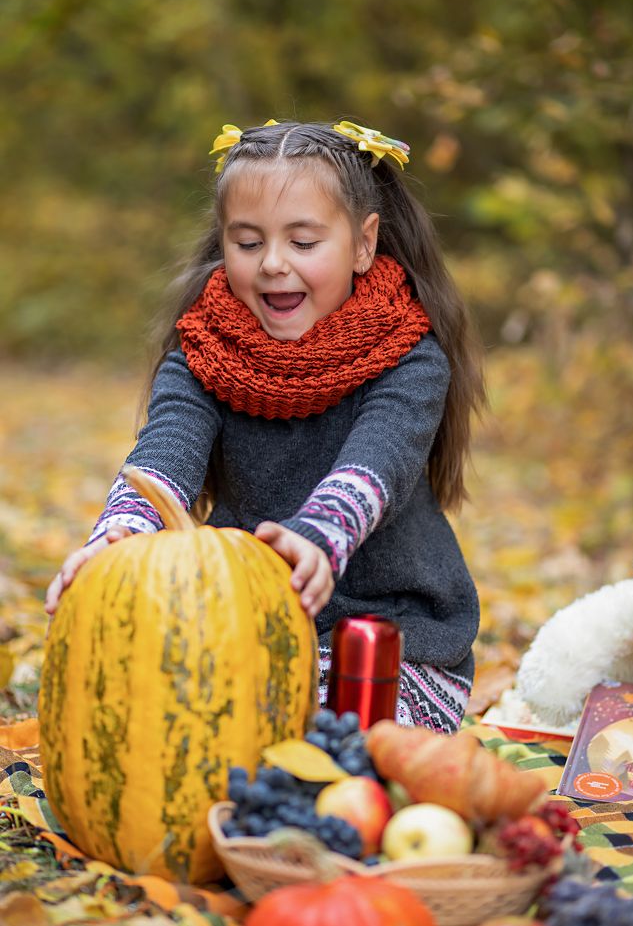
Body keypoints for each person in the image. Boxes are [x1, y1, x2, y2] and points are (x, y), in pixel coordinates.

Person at [45, 118, 486, 733]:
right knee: (148, 712)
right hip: (244, 627)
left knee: (327, 744)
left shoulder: (407, 356)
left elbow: (377, 462)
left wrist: (319, 535)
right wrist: (120, 533)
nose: (273, 264)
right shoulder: (204, 355)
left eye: (303, 243)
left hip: (396, 642)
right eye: (249, 243)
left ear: (363, 244)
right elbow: (166, 451)